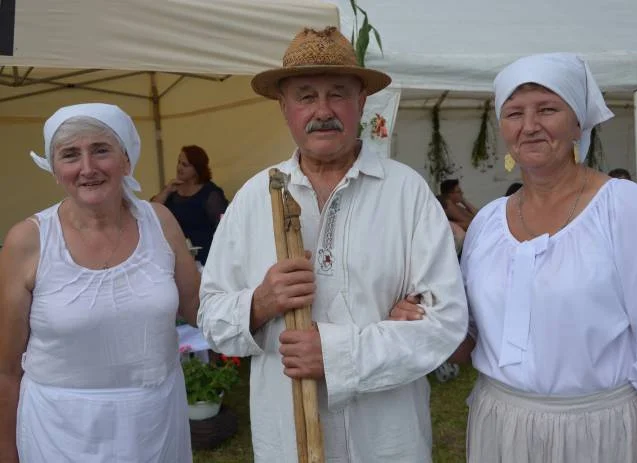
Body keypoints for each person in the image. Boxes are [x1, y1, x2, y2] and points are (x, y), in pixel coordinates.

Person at [392, 53, 637, 462]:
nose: (530, 125)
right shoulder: (487, 223)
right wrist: (425, 322)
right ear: (503, 128)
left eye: (548, 109)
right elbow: (469, 339)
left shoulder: (626, 209)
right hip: (499, 427)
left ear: (578, 123)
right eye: (514, 112)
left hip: (597, 433)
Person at [197, 27, 468, 462]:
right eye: (305, 96)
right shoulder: (254, 196)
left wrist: (337, 355)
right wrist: (260, 303)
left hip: (387, 437)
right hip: (286, 436)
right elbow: (210, 318)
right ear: (284, 107)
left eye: (338, 94)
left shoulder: (406, 192)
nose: (322, 110)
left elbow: (444, 323)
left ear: (362, 101)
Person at [0, 103, 200, 462]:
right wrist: (5, 451)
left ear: (126, 160)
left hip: (154, 425)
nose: (87, 168)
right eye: (70, 155)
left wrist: (260, 293)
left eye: (101, 150)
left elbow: (200, 308)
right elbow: (5, 368)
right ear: (55, 169)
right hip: (59, 433)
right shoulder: (28, 241)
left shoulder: (160, 222)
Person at [151, 145, 228, 264]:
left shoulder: (210, 193)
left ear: (197, 169)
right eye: (179, 162)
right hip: (175, 256)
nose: (179, 167)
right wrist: (167, 190)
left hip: (204, 258)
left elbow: (224, 226)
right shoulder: (173, 191)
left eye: (185, 165)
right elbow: (152, 211)